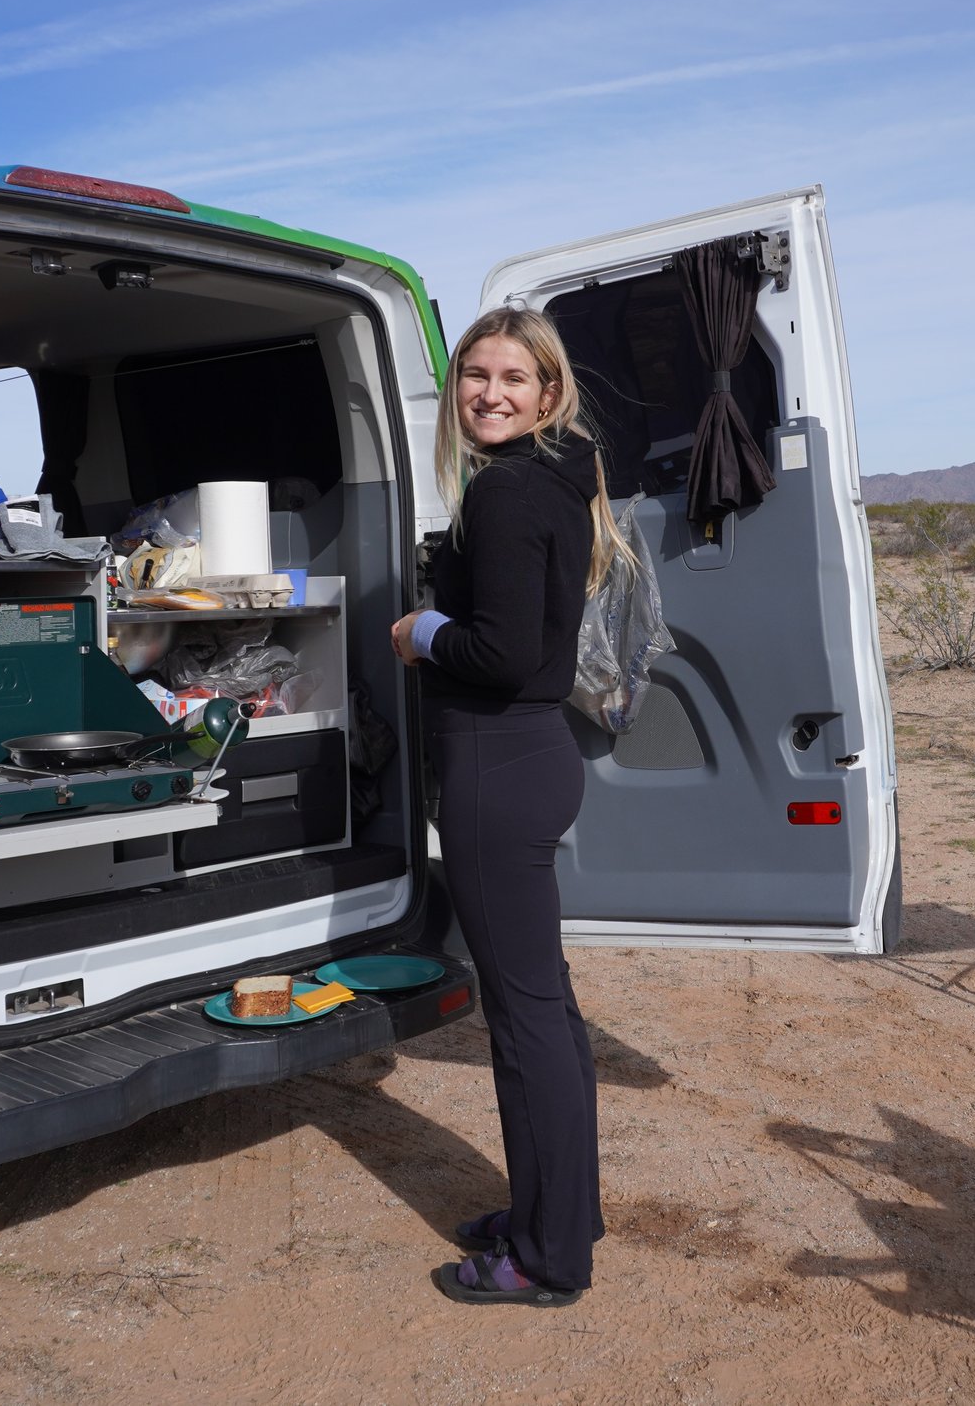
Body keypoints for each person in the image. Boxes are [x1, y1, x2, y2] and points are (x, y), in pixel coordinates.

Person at [391, 307, 635, 1309]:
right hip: (531, 757)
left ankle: (544, 1254)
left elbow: (498, 652)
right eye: (474, 375)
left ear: (548, 392)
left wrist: (419, 627)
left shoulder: (502, 495)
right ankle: (561, 1209)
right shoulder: (555, 482)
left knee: (526, 1018)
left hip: (498, 760)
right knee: (548, 1008)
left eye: (513, 377)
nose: (489, 391)